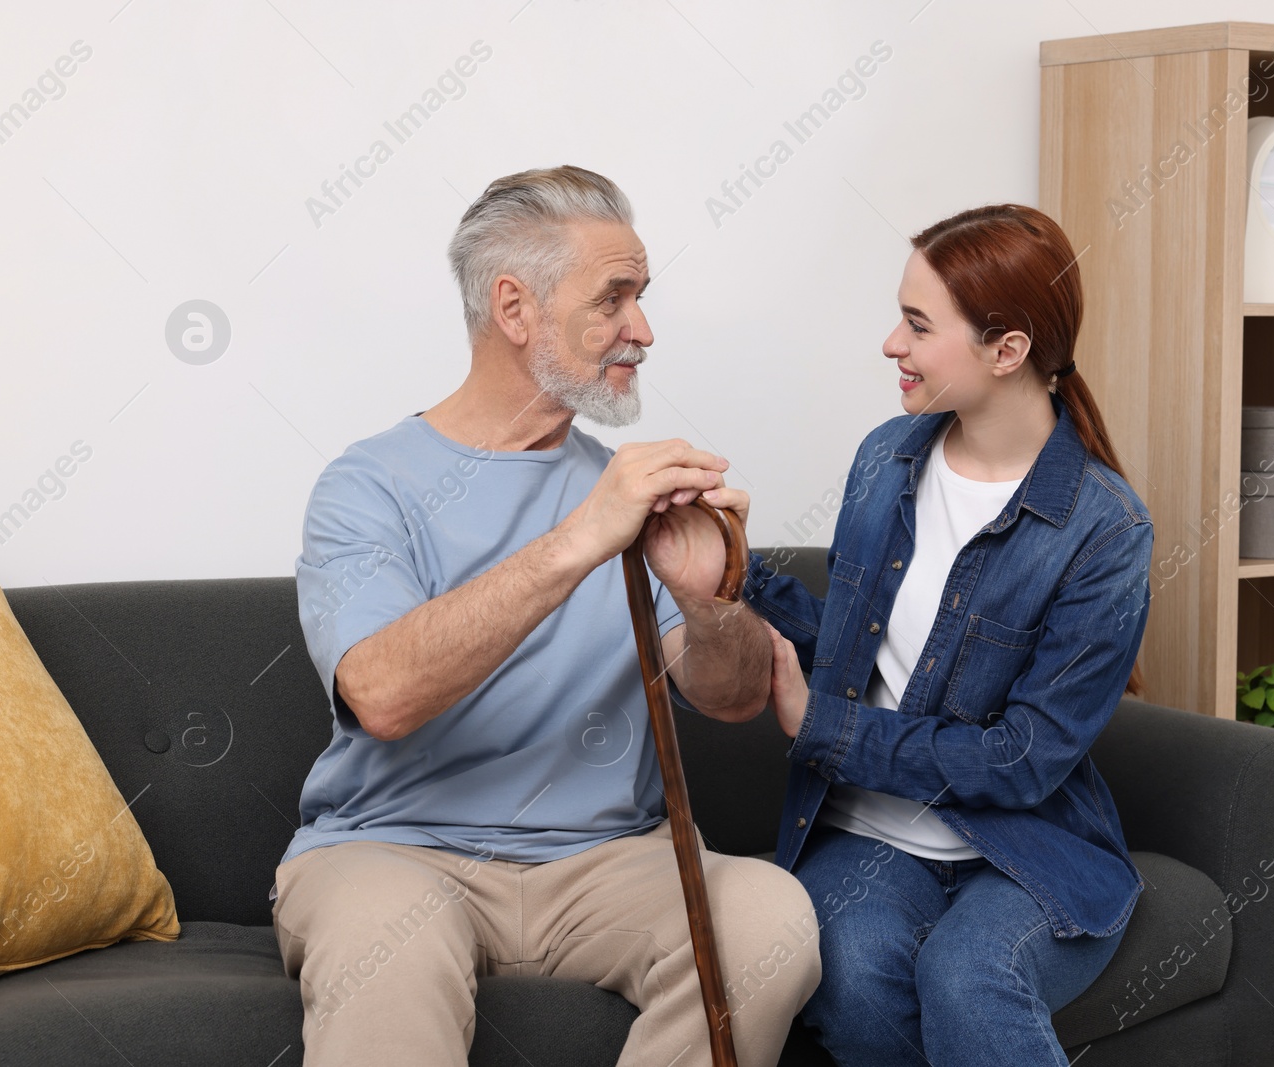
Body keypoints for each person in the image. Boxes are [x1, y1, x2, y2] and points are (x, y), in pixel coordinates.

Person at [272, 165, 820, 1067]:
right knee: (388, 955)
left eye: (641, 297)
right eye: (614, 298)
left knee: (767, 919)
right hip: (397, 850)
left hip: (609, 860)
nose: (642, 330)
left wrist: (705, 598)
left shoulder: (626, 492)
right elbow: (382, 693)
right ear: (514, 307)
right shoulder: (369, 485)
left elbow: (725, 698)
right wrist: (580, 539)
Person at [745, 204, 1154, 1066]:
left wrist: (823, 726)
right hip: (865, 835)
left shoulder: (1104, 528)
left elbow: (1026, 757)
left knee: (969, 974)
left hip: (1025, 850)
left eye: (918, 324)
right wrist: (735, 571)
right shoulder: (885, 457)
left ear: (1007, 351)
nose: (892, 342)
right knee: (853, 973)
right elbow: (862, 656)